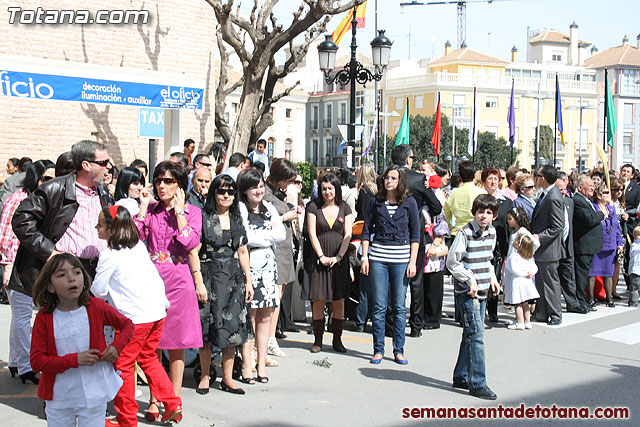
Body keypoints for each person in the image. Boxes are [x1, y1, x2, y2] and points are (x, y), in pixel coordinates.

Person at [10, 141, 112, 385]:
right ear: (86, 165)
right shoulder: (55, 189)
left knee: (90, 333)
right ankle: (55, 398)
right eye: (103, 162)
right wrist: (51, 253)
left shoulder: (104, 191)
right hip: (63, 271)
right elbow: (22, 220)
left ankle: (89, 390)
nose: (108, 167)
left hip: (94, 271)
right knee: (62, 336)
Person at [92, 206, 183, 425]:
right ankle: (172, 403)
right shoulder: (138, 247)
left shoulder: (109, 255)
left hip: (134, 319)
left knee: (122, 365)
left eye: (100, 224)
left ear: (111, 228)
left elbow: (97, 290)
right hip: (156, 312)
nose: (97, 228)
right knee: (148, 357)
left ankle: (126, 419)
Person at [30, 253, 134, 426]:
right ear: (50, 287)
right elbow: (37, 361)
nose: (72, 279)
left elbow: (128, 325)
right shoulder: (44, 317)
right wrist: (74, 360)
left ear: (84, 278)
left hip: (94, 392)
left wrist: (116, 347)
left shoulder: (97, 306)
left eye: (77, 272)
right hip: (59, 397)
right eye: (61, 275)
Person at [136, 161, 202, 406]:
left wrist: (179, 214)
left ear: (180, 185)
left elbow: (189, 243)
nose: (161, 186)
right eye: (158, 181)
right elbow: (133, 237)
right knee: (151, 344)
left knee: (176, 344)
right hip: (151, 280)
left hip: (179, 280)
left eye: (168, 181)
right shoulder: (151, 210)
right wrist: (143, 208)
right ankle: (155, 398)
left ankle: (173, 399)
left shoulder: (192, 212)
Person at [194, 174, 254, 394]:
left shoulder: (238, 219)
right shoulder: (203, 217)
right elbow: (194, 251)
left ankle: (228, 378)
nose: (226, 195)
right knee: (208, 328)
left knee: (232, 330)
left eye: (230, 191)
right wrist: (198, 281)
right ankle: (206, 375)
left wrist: (249, 280)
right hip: (209, 277)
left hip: (233, 279)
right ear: (214, 193)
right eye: (221, 191)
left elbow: (242, 251)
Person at [1, 160, 55, 378]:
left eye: (53, 179)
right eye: (45, 179)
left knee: (20, 317)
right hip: (18, 266)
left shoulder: (45, 199)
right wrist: (7, 266)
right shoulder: (20, 199)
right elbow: (6, 237)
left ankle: (17, 362)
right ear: (35, 178)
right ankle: (25, 366)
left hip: (35, 266)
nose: (49, 183)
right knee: (22, 317)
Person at [361, 165, 420, 365]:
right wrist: (364, 257)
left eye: (393, 178)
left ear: (400, 181)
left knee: (399, 306)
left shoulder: (409, 202)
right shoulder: (375, 202)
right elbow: (366, 231)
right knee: (378, 306)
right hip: (378, 257)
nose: (389, 181)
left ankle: (399, 350)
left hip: (401, 259)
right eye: (386, 178)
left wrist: (413, 261)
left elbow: (415, 234)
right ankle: (378, 349)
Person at [446, 194, 499, 400]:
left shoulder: (492, 232)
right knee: (477, 335)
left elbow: (488, 259)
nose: (483, 216)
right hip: (468, 293)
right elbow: (453, 262)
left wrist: (493, 278)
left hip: (483, 289)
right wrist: (470, 279)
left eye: (488, 213)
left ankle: (461, 375)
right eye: (480, 212)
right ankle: (477, 382)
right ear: (474, 213)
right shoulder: (465, 233)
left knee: (470, 333)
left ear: (494, 216)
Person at [239, 169, 286, 380]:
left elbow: (281, 234)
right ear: (245, 189)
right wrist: (266, 236)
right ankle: (246, 364)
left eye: (261, 186)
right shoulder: (240, 208)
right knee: (249, 316)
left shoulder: (268, 207)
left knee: (265, 317)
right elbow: (245, 238)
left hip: (269, 267)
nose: (259, 191)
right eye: (254, 187)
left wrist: (261, 236)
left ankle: (261, 365)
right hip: (249, 267)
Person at [391, 144, 442, 338]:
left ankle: (391, 323)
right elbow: (436, 207)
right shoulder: (419, 179)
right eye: (412, 157)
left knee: (391, 280)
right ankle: (416, 325)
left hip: (391, 235)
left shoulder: (384, 177)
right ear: (407, 160)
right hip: (414, 233)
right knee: (416, 281)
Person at [307, 173, 353, 353]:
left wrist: (339, 257)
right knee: (319, 299)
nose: (327, 192)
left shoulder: (345, 208)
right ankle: (318, 340)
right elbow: (312, 233)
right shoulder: (313, 207)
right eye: (323, 188)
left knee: (338, 299)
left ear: (336, 189)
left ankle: (337, 339)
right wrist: (321, 256)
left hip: (339, 260)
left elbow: (347, 234)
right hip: (319, 258)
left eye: (330, 188)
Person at [263, 158, 299, 360]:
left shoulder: (279, 193)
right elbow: (268, 218)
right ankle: (268, 339)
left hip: (285, 248)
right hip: (275, 249)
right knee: (273, 298)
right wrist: (288, 212)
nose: (289, 185)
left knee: (279, 294)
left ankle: (271, 336)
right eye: (288, 180)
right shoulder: (265, 193)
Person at [530, 165, 565, 326]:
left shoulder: (554, 197)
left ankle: (555, 313)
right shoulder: (546, 194)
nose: (535, 178)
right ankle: (542, 312)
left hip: (548, 249)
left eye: (537, 175)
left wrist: (540, 236)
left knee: (550, 283)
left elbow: (558, 226)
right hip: (541, 249)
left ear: (543, 178)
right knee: (541, 282)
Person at [481, 167, 512, 324]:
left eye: (496, 178)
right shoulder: (480, 199)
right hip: (481, 243)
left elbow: (509, 226)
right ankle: (481, 307)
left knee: (496, 277)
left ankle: (492, 310)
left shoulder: (506, 202)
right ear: (484, 181)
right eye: (490, 178)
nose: (493, 182)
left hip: (498, 246)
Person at [588, 183, 623, 308]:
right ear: (598, 195)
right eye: (606, 192)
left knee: (608, 273)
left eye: (608, 192)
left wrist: (620, 243)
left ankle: (609, 298)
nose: (608, 195)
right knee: (592, 272)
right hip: (597, 246)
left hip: (610, 246)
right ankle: (591, 298)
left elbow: (617, 228)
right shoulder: (593, 208)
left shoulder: (612, 209)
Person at [573, 176, 605, 313]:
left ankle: (584, 300)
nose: (593, 187)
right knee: (581, 275)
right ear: (580, 188)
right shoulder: (578, 200)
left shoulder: (587, 200)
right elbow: (589, 219)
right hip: (583, 245)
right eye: (589, 185)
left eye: (593, 185)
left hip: (589, 246)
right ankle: (580, 301)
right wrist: (601, 214)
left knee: (585, 274)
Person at [353, 163, 378, 332]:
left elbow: (361, 213)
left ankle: (360, 320)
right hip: (377, 237)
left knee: (364, 285)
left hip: (363, 233)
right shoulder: (377, 191)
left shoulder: (363, 191)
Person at [555, 174, 583, 313]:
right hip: (554, 246)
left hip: (568, 245)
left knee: (569, 276)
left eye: (564, 190)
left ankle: (572, 303)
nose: (563, 193)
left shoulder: (569, 202)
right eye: (560, 190)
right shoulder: (549, 202)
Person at [503, 234, 540, 330]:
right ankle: (527, 322)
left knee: (517, 303)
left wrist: (523, 274)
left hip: (517, 282)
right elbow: (535, 268)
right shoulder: (529, 257)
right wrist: (530, 273)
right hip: (527, 282)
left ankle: (520, 322)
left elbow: (513, 269)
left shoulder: (514, 256)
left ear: (519, 244)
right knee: (525, 303)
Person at [610, 178, 628, 300]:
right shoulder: (610, 203)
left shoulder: (621, 204)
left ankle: (614, 289)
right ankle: (608, 289)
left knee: (618, 264)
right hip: (612, 236)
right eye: (617, 190)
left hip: (621, 236)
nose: (619, 192)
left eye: (621, 189)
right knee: (610, 264)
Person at [628, 226, 640, 306]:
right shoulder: (634, 245)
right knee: (634, 287)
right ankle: (633, 301)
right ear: (635, 236)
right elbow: (633, 251)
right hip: (635, 270)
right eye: (639, 235)